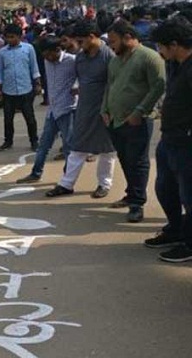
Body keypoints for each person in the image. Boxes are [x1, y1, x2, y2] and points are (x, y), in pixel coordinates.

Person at [101, 20, 166, 223]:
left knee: (137, 161)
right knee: (125, 158)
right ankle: (131, 193)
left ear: (127, 38)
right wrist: (104, 109)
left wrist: (140, 111)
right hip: (115, 120)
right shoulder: (115, 60)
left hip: (137, 120)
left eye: (113, 41)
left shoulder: (149, 57)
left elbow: (158, 86)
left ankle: (137, 203)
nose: (111, 45)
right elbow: (109, 86)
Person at [46, 21, 117, 199]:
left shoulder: (108, 55)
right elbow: (78, 78)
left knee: (107, 149)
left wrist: (109, 108)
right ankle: (66, 184)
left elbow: (114, 83)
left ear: (92, 37)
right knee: (77, 146)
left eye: (81, 40)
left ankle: (104, 184)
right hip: (85, 106)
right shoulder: (81, 57)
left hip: (105, 107)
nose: (78, 45)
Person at [144, 17, 192, 262]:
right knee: (164, 187)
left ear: (174, 44)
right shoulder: (175, 64)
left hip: (186, 141)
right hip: (169, 138)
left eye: (161, 47)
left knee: (189, 194)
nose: (159, 52)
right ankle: (176, 229)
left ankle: (189, 243)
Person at [17, 36, 77, 184]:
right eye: (44, 56)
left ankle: (67, 178)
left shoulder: (72, 61)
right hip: (53, 109)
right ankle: (36, 172)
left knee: (69, 146)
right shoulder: (46, 61)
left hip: (68, 108)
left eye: (49, 55)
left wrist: (77, 85)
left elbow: (83, 76)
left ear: (57, 50)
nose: (47, 59)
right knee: (44, 144)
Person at [0, 24, 42, 152]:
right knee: (8, 119)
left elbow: (34, 67)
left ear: (19, 37)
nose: (10, 40)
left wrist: (37, 83)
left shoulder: (28, 49)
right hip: (8, 91)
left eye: (12, 37)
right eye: (7, 37)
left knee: (30, 118)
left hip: (25, 88)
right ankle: (8, 141)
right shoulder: (2, 52)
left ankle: (34, 141)